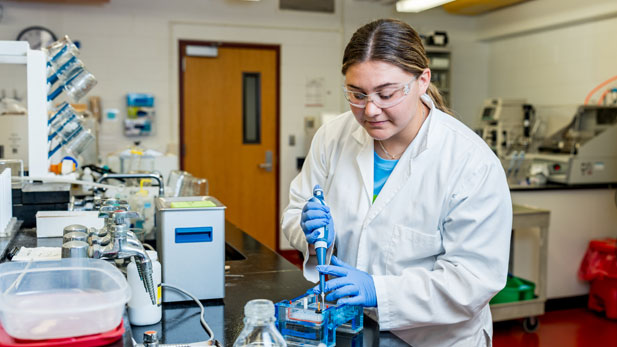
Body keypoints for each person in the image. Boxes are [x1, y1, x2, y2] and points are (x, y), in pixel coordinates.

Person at [281, 18, 512, 346]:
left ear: (422, 81)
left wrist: (378, 290)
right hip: (350, 326)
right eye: (357, 94)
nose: (370, 110)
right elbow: (294, 212)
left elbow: (472, 280)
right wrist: (309, 230)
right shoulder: (333, 137)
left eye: (386, 94)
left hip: (433, 339)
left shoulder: (470, 162)